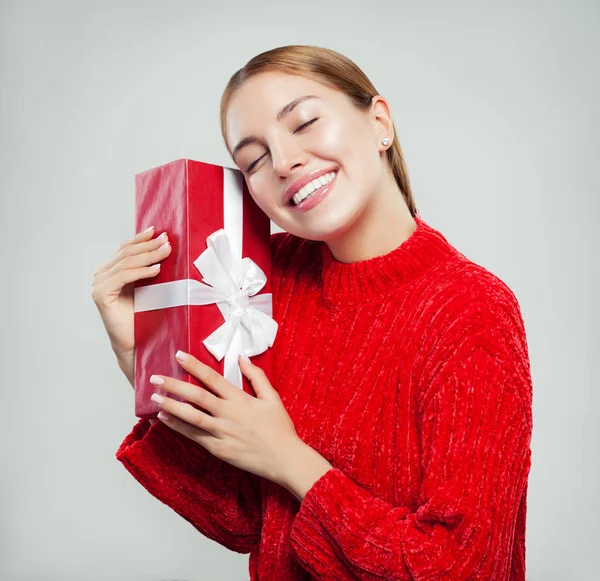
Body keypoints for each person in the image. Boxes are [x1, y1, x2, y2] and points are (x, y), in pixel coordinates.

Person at [91, 45, 533, 581]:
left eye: (304, 122)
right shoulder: (267, 279)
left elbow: (463, 569)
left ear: (379, 123)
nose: (283, 163)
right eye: (253, 159)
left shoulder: (471, 309)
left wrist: (292, 460)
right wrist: (140, 355)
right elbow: (243, 518)